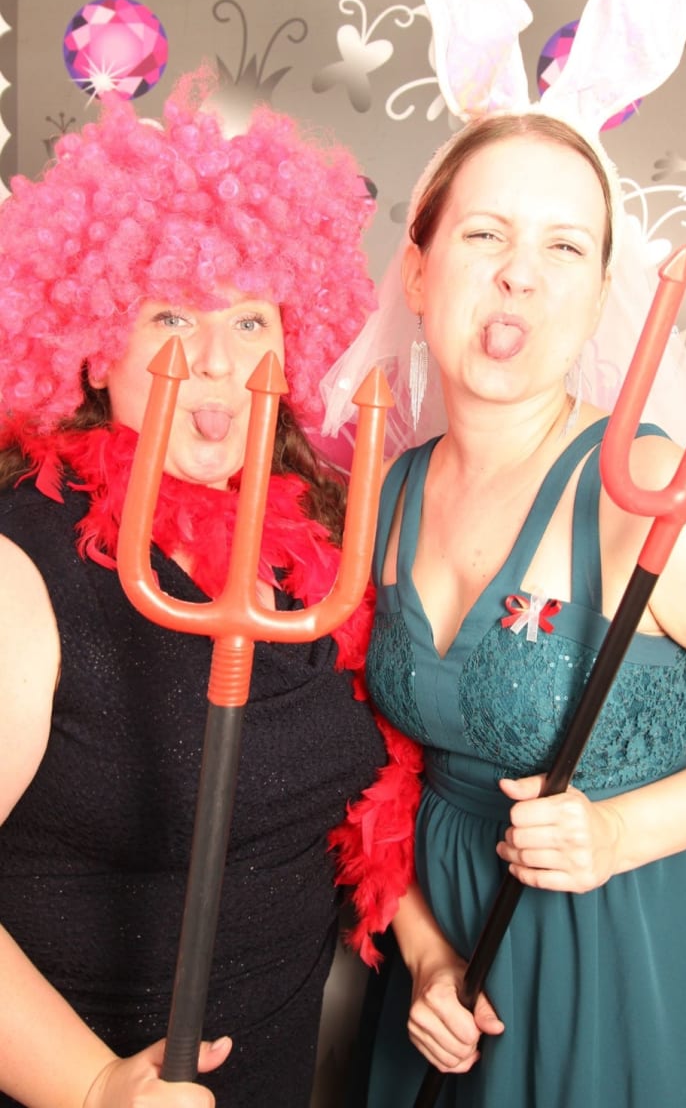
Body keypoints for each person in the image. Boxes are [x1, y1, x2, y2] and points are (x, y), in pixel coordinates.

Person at [322, 0, 686, 1105]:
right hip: (443, 979)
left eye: (564, 246)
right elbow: (367, 774)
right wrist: (421, 950)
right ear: (418, 266)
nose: (519, 272)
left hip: (621, 953)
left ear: (599, 297)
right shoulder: (384, 493)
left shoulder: (641, 492)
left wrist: (625, 832)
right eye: (485, 232)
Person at [0, 64, 397, 1108]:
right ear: (94, 350)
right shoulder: (20, 566)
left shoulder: (314, 547)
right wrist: (93, 1085)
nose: (220, 360)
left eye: (252, 320)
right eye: (172, 316)